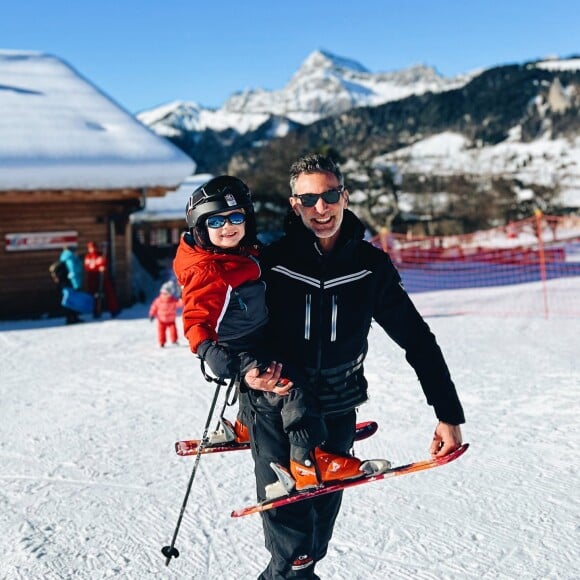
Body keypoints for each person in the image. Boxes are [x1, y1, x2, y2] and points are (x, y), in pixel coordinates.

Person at [242, 153, 466, 579]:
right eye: (309, 200)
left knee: (316, 538)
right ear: (295, 205)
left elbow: (417, 339)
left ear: (344, 196)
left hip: (338, 407)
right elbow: (238, 335)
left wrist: (447, 414)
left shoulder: (369, 266)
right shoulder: (271, 264)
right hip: (275, 408)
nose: (320, 209)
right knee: (293, 550)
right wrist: (249, 370)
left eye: (329, 196)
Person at [173, 176, 374, 489]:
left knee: (288, 358)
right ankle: (306, 461)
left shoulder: (238, 253)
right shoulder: (208, 270)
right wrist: (208, 350)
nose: (228, 227)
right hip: (239, 349)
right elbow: (196, 317)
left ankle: (243, 425)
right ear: (200, 229)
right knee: (291, 383)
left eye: (236, 217)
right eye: (216, 221)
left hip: (257, 337)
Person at [84, 241, 120, 318]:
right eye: (91, 248)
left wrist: (103, 267)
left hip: (102, 277)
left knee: (109, 292)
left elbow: (103, 262)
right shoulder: (88, 257)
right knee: (94, 296)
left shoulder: (100, 255)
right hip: (93, 278)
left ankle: (114, 310)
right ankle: (96, 311)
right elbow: (88, 267)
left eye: (94, 247)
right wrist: (97, 267)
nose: (93, 249)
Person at [149, 281, 182, 347]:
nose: (166, 295)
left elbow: (179, 304)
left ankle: (171, 341)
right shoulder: (161, 300)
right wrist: (152, 314)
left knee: (170, 331)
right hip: (164, 320)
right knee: (163, 332)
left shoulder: (171, 300)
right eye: (165, 293)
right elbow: (154, 307)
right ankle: (163, 342)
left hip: (168, 320)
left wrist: (181, 298)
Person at [49, 260, 83, 325]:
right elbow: (71, 273)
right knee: (71, 301)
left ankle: (71, 317)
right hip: (68, 285)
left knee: (68, 302)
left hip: (63, 286)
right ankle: (72, 318)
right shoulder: (68, 262)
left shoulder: (61, 263)